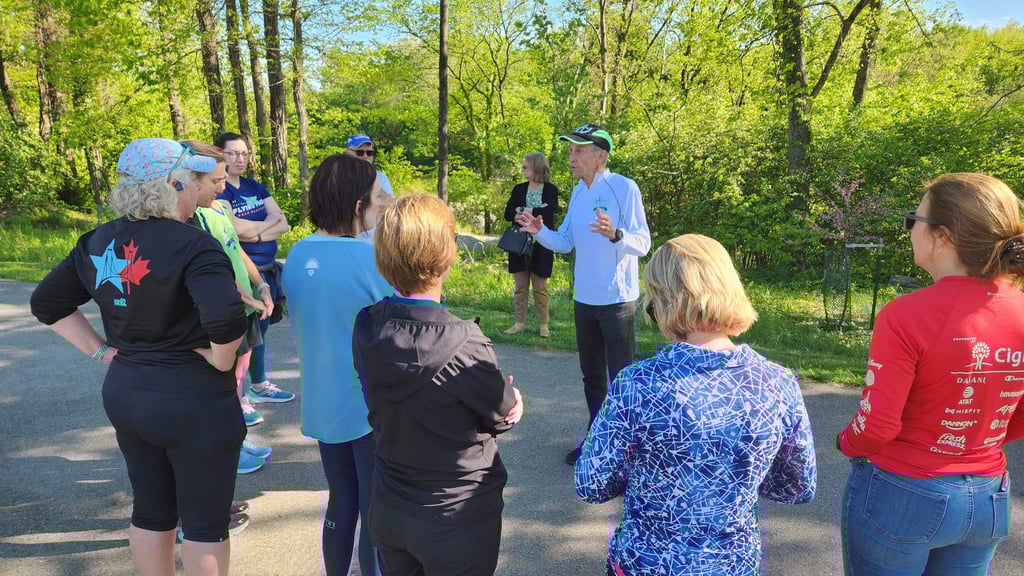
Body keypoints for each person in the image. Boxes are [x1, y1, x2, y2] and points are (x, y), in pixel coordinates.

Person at [30, 138, 247, 576]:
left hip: (129, 393)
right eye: (195, 182)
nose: (203, 192)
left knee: (151, 509)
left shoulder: (97, 240)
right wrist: (223, 361)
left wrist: (103, 353)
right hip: (194, 398)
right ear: (175, 182)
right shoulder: (195, 245)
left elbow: (46, 303)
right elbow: (225, 320)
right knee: (205, 523)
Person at [576, 233, 817, 576]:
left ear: (662, 299)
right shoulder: (776, 382)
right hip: (731, 564)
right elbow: (797, 486)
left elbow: (591, 483)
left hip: (647, 563)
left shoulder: (639, 382)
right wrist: (735, 475)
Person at [838, 173, 1024, 575]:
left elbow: (878, 427)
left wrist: (846, 442)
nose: (910, 232)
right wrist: (977, 440)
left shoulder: (905, 315)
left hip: (904, 493)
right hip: (988, 497)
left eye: (913, 220)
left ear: (942, 236)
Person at [353, 194, 524, 576]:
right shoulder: (466, 343)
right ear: (447, 255)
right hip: (456, 518)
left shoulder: (367, 324)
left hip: (390, 505)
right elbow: (502, 413)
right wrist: (515, 402)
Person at [281, 154, 394, 576]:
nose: (381, 204)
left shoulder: (296, 254)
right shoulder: (368, 261)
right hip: (367, 406)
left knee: (340, 499)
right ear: (355, 206)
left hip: (322, 402)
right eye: (376, 197)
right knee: (372, 507)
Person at [516, 123, 651, 464]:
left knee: (621, 379)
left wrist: (616, 233)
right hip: (584, 300)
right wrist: (539, 231)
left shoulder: (624, 188)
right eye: (570, 150)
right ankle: (597, 442)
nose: (571, 157)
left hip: (618, 300)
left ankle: (625, 452)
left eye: (578, 151)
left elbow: (644, 243)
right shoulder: (578, 192)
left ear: (600, 155)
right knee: (592, 377)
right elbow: (564, 242)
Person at [185, 140, 274, 478]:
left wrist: (261, 286)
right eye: (217, 181)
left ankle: (236, 442)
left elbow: (238, 253)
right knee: (217, 387)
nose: (223, 187)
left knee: (234, 379)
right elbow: (215, 269)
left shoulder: (220, 210)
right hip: (225, 311)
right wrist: (247, 298)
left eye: (223, 179)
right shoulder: (192, 220)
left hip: (243, 309)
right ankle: (226, 450)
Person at [214, 132, 294, 426]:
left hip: (268, 267)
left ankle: (259, 385)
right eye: (233, 153)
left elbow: (283, 222)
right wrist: (265, 227)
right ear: (219, 155)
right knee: (244, 338)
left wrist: (256, 231)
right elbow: (233, 230)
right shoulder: (219, 190)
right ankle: (241, 396)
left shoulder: (254, 186)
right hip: (245, 271)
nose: (240, 159)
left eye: (245, 153)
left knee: (263, 331)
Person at [502, 152, 560, 337]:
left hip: (543, 243)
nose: (522, 169)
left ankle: (544, 325)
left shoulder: (551, 190)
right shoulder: (519, 189)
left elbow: (549, 213)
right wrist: (534, 210)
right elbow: (508, 213)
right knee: (520, 287)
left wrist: (523, 211)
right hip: (519, 243)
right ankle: (519, 323)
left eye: (525, 166)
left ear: (536, 167)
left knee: (540, 287)